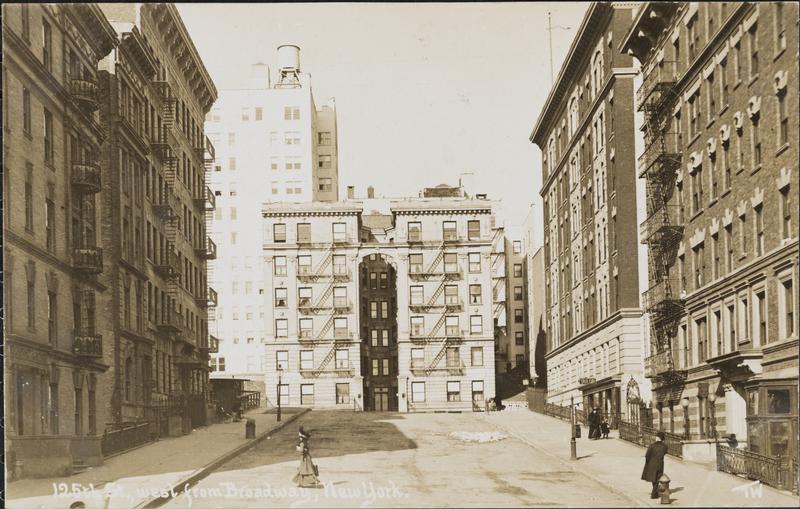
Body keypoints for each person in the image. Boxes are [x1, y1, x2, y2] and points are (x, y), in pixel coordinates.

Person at [641, 431, 669, 499]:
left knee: (654, 479)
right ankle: (655, 493)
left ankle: (653, 494)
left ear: (658, 438)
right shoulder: (665, 446)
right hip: (660, 464)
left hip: (652, 463)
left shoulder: (652, 446)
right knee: (657, 478)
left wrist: (649, 461)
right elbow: (664, 453)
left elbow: (647, 455)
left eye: (656, 437)